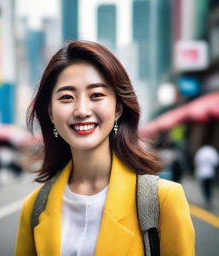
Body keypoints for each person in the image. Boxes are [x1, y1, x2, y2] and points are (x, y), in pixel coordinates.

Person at [15, 41, 195, 256]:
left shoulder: (163, 199)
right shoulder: (34, 207)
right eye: (66, 97)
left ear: (118, 108)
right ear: (51, 113)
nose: (82, 110)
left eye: (96, 95)